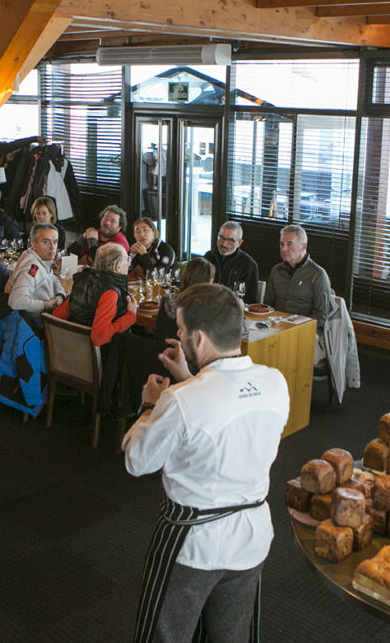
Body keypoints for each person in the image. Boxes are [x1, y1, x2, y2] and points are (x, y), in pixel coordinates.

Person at [122, 283, 289, 642]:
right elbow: (228, 410)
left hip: (193, 543)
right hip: (251, 537)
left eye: (181, 330)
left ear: (198, 339)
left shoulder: (180, 400)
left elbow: (137, 462)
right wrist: (188, 380)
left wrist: (152, 403)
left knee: (166, 636)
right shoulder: (276, 383)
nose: (178, 336)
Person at [54, 243, 137, 346]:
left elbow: (58, 316)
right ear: (118, 266)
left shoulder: (82, 279)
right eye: (127, 260)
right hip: (98, 356)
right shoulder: (110, 292)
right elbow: (99, 338)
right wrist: (131, 315)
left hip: (70, 349)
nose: (129, 264)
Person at [264, 224, 334, 327]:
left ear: (303, 246)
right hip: (276, 326)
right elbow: (268, 305)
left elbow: (321, 315)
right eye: (281, 244)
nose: (284, 249)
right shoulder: (276, 271)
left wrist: (297, 327)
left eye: (289, 244)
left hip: (302, 329)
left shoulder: (318, 274)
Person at [6, 223, 65, 319]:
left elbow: (53, 278)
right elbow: (16, 301)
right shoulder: (32, 268)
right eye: (46, 242)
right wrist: (45, 305)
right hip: (38, 324)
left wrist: (60, 294)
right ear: (33, 244)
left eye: (55, 242)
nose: (52, 247)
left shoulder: (39, 257)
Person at [155, 257, 215, 343]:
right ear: (209, 281)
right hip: (190, 354)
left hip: (163, 350)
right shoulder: (207, 307)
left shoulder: (167, 298)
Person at [204, 221, 260, 304]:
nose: (224, 244)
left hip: (233, 310)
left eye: (230, 240)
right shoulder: (209, 257)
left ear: (239, 243)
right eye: (221, 238)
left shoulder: (248, 265)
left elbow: (250, 300)